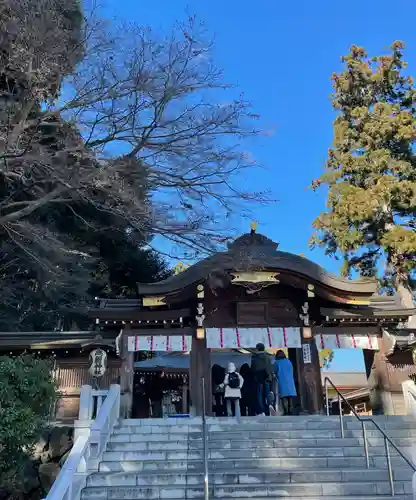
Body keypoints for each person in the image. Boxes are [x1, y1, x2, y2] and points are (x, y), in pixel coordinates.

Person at [251, 343, 274, 416]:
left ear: (257, 348)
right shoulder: (267, 357)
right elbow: (269, 368)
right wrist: (269, 377)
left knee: (259, 395)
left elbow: (253, 369)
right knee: (267, 394)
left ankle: (262, 411)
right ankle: (269, 407)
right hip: (266, 378)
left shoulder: (254, 358)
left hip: (258, 379)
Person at [275, 350, 297, 415]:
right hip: (290, 380)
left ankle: (286, 411)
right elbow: (292, 370)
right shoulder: (288, 361)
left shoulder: (277, 362)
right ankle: (291, 410)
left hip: (282, 380)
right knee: (290, 397)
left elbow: (275, 371)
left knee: (284, 397)